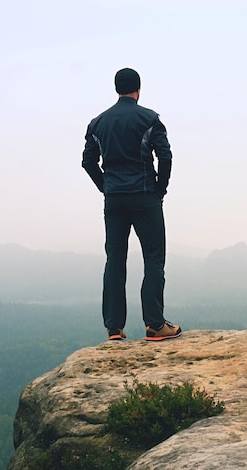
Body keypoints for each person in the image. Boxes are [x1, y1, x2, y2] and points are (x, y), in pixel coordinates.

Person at [82, 68, 182, 341]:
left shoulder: (98, 123)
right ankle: (155, 325)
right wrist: (160, 189)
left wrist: (106, 186)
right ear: (139, 89)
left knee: (115, 259)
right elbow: (165, 156)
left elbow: (88, 161)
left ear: (117, 89)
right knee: (153, 258)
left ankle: (115, 328)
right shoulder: (150, 119)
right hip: (145, 196)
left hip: (114, 199)